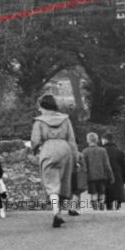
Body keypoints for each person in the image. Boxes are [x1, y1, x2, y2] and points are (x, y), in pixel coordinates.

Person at [30, 93, 78, 228]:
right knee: (63, 182)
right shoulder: (66, 120)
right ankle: (60, 213)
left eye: (39, 107)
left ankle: (56, 212)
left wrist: (34, 150)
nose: (39, 109)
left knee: (51, 183)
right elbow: (72, 140)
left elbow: (35, 140)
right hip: (65, 149)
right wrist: (76, 158)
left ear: (43, 106)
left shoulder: (39, 121)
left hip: (48, 149)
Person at [82, 132, 114, 210]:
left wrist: (83, 178)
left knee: (93, 193)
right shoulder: (102, 150)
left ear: (88, 140)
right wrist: (111, 176)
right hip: (102, 176)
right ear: (97, 140)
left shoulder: (85, 151)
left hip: (91, 177)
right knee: (102, 192)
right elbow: (107, 165)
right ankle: (102, 207)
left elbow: (84, 166)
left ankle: (95, 209)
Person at [102, 132, 125, 210]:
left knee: (108, 192)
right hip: (118, 174)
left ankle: (109, 207)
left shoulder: (102, 150)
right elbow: (124, 166)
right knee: (118, 192)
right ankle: (118, 206)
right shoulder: (119, 151)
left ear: (104, 140)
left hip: (106, 175)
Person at [68, 150, 87, 216]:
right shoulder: (79, 154)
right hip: (76, 174)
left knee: (70, 192)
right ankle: (72, 209)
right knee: (76, 192)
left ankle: (68, 208)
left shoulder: (64, 153)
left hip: (66, 174)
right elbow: (83, 165)